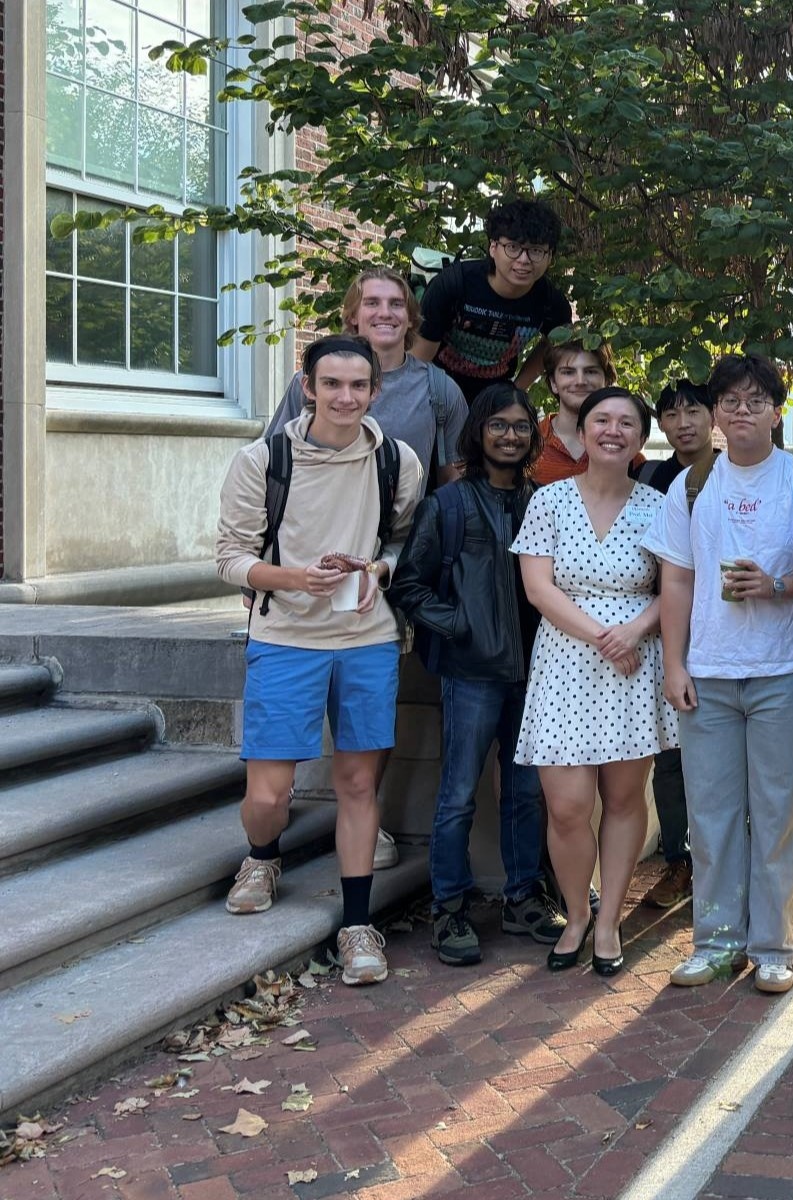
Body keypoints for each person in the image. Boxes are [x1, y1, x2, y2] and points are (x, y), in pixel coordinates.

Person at [215, 336, 424, 986]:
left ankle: (358, 926)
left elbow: (401, 535)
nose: (345, 397)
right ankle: (262, 853)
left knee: (359, 785)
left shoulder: (397, 460)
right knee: (269, 793)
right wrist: (289, 578)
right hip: (285, 638)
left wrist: (380, 569)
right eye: (331, 384)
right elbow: (229, 556)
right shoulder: (264, 460)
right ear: (307, 387)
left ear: (374, 391)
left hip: (365, 639)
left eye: (357, 386)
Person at [646, 355, 793, 994]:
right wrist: (674, 662)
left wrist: (778, 585)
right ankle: (716, 941)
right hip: (710, 674)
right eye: (730, 401)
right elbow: (676, 578)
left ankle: (774, 945)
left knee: (780, 811)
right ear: (716, 413)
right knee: (712, 814)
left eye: (756, 400)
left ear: (777, 410)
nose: (742, 411)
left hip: (789, 669)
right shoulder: (692, 485)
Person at [387, 386, 567, 965]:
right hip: (470, 673)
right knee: (459, 794)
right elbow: (409, 584)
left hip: (536, 672)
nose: (510, 435)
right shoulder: (450, 504)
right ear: (480, 432)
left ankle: (523, 898)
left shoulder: (545, 502)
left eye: (520, 426)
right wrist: (458, 623)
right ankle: (449, 906)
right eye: (499, 425)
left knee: (523, 792)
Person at [512, 387, 670, 977]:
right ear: (581, 428)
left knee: (624, 800)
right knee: (569, 807)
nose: (612, 430)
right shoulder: (549, 501)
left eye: (626, 422)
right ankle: (577, 913)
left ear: (639, 436)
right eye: (601, 419)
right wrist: (603, 636)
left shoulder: (659, 507)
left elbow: (674, 588)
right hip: (563, 664)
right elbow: (538, 587)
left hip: (635, 663)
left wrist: (632, 631)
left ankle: (608, 924)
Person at [266, 268, 467, 492]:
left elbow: (454, 484)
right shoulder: (314, 381)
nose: (385, 313)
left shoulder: (439, 389)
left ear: (410, 318)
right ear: (353, 316)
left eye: (396, 304)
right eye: (372, 303)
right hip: (317, 522)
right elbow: (273, 463)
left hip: (401, 525)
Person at [634, 379, 712, 911]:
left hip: (731, 626)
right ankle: (678, 860)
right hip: (666, 626)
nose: (683, 421)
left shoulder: (732, 472)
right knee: (671, 753)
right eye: (671, 412)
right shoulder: (651, 477)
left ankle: (721, 863)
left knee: (724, 755)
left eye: (693, 410)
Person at [416, 197, 573, 402]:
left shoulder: (551, 303)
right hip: (437, 388)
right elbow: (418, 363)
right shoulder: (453, 285)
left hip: (495, 394)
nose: (523, 260)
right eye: (513, 247)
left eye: (536, 250)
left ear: (549, 256)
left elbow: (554, 342)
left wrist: (516, 389)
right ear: (493, 247)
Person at [528, 344, 649, 485]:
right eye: (568, 372)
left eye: (590, 371)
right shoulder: (528, 444)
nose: (580, 381)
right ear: (553, 382)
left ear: (607, 380)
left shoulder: (627, 453)